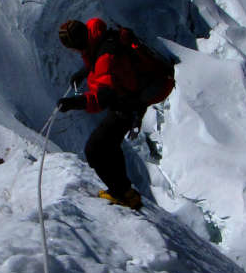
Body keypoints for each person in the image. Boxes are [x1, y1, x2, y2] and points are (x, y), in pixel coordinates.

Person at [56, 17, 175, 209]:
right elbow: (102, 56)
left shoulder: (104, 58)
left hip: (128, 103)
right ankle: (126, 191)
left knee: (95, 150)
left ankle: (122, 194)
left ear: (76, 45)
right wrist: (84, 71)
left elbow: (104, 97)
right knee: (109, 144)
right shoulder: (100, 37)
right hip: (129, 95)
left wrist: (74, 102)